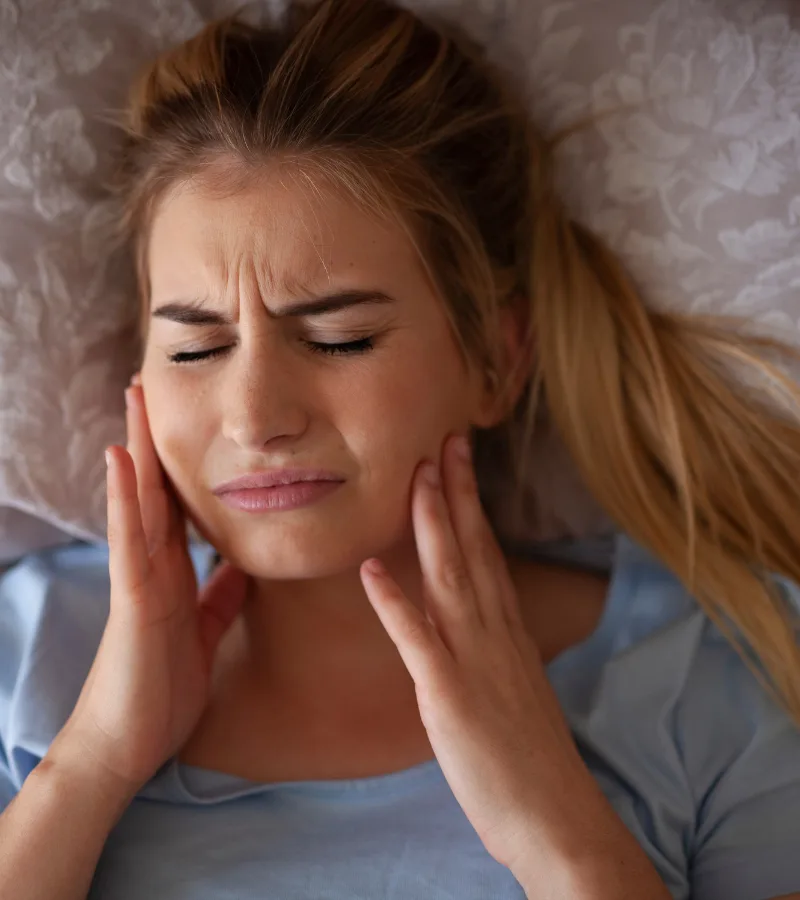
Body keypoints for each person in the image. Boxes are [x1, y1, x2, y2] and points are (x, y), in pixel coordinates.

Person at [0, 0, 799, 897]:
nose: (254, 417)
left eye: (340, 338)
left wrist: (560, 836)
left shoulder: (720, 675)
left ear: (497, 359)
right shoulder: (23, 658)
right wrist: (93, 764)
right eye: (196, 348)